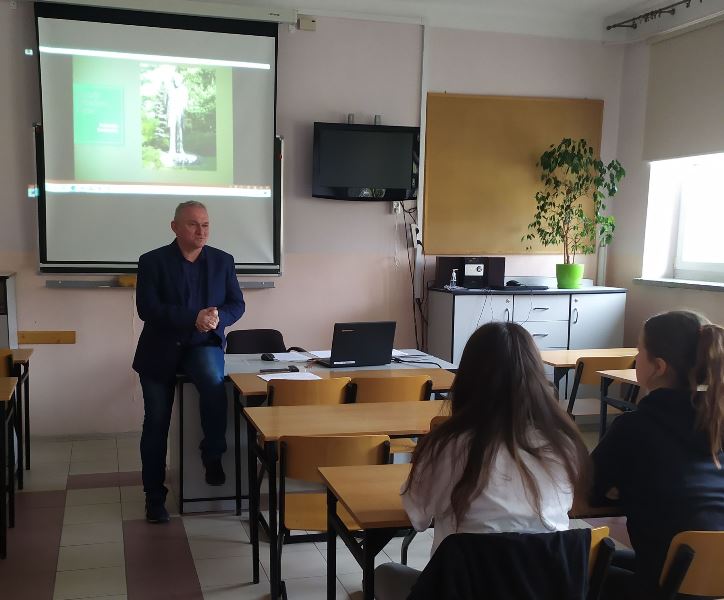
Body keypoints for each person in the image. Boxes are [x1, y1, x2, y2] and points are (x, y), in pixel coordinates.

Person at [375, 321, 590, 600]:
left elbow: (417, 514)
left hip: (460, 589)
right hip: (542, 589)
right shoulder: (564, 446)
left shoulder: (448, 445)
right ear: (537, 376)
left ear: (468, 378)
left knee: (383, 573)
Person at [590, 310, 724, 599]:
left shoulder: (634, 427)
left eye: (640, 352)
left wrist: (622, 488)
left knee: (581, 562)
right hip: (714, 573)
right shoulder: (716, 422)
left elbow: (590, 493)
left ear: (658, 366)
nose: (637, 358)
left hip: (668, 583)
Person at [132, 201, 245, 523]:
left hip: (202, 344)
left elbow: (237, 303)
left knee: (213, 382)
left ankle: (213, 453)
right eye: (194, 224)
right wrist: (192, 317)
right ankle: (154, 497)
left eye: (206, 225)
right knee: (155, 422)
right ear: (175, 227)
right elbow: (148, 309)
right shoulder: (152, 261)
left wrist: (218, 318)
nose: (201, 231)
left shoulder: (222, 261)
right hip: (160, 348)